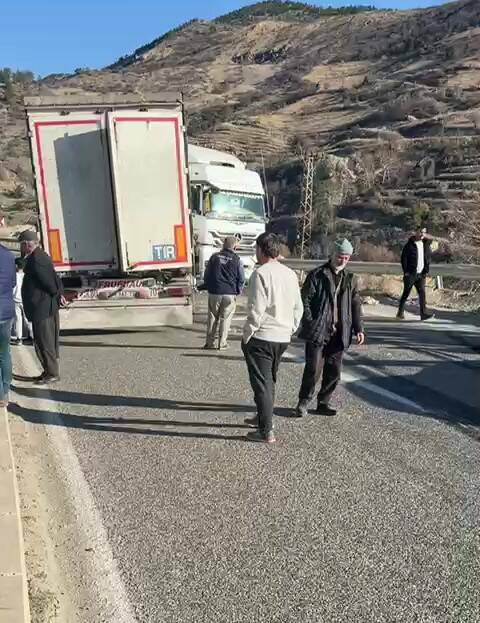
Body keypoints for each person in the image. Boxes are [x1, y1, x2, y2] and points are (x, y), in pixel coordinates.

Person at [242, 233, 303, 444]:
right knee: (269, 380)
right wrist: (290, 329)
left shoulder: (260, 274)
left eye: (256, 248)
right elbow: (298, 308)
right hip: (282, 337)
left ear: (261, 249)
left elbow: (256, 310)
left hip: (262, 336)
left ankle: (265, 430)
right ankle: (262, 417)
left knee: (262, 384)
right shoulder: (290, 274)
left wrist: (248, 334)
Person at [295, 239, 365, 418]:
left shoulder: (350, 279)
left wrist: (359, 328)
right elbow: (305, 301)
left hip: (340, 333)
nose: (342, 261)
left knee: (334, 370)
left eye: (346, 258)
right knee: (313, 369)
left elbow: (355, 304)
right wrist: (311, 321)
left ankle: (323, 402)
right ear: (332, 255)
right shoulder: (317, 275)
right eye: (340, 256)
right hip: (319, 330)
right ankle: (303, 402)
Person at [20, 230, 64, 384]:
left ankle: (52, 373)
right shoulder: (39, 256)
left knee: (45, 342)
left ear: (27, 244)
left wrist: (57, 294)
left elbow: (49, 282)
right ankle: (47, 371)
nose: (21, 248)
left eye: (22, 245)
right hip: (44, 306)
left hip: (43, 307)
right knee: (43, 341)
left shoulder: (37, 259)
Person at [203, 236, 245, 350]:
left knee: (212, 317)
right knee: (225, 318)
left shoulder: (214, 257)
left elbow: (206, 275)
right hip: (229, 293)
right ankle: (222, 344)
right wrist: (238, 290)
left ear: (223, 245)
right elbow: (241, 278)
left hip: (214, 292)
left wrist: (207, 285)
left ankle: (209, 343)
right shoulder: (237, 260)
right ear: (235, 247)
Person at [397, 227, 434, 321]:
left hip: (421, 274)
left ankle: (423, 313)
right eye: (420, 232)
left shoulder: (425, 244)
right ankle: (400, 313)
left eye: (424, 232)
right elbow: (403, 259)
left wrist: (426, 270)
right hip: (411, 274)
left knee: (422, 293)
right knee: (406, 293)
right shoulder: (409, 245)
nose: (422, 234)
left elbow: (431, 241)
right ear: (416, 232)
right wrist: (406, 272)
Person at [0, 221, 16, 407]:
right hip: (7, 310)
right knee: (4, 353)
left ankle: (1, 395)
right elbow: (12, 282)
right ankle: (6, 391)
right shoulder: (8, 255)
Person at [12, 257, 33, 345]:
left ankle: (19, 338)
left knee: (18, 319)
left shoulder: (13, 276)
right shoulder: (27, 276)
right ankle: (33, 337)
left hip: (15, 300)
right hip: (26, 300)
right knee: (28, 319)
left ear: (16, 265)